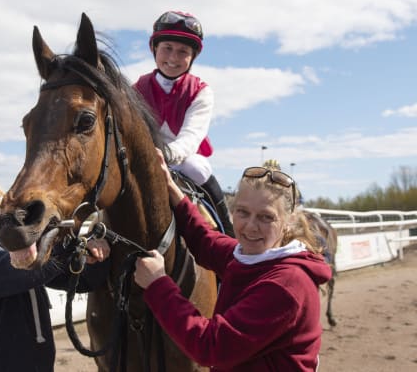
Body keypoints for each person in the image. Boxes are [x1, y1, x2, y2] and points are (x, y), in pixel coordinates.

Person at [133, 150, 332, 371]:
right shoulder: (253, 257)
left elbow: (210, 347)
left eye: (266, 217)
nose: (250, 226)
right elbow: (205, 241)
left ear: (289, 221)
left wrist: (157, 285)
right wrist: (173, 189)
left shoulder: (286, 285)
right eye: (243, 212)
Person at [0, 169, 110, 372]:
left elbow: (82, 281)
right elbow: (30, 269)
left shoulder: (11, 251)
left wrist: (98, 256)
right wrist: (74, 247)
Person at [133, 10, 234, 237]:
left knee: (197, 168)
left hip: (183, 159)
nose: (173, 57)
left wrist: (164, 156)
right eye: (167, 48)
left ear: (192, 57)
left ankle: (230, 237)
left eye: (183, 52)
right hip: (144, 159)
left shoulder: (202, 91)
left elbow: (190, 137)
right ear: (154, 49)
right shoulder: (136, 90)